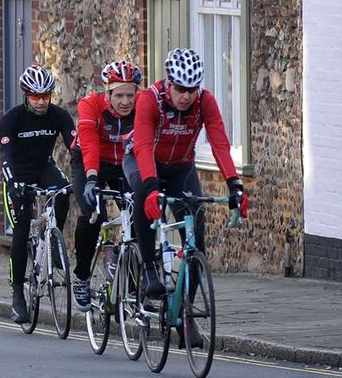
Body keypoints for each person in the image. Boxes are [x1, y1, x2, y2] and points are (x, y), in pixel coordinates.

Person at [126, 48, 248, 302]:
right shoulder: (151, 100)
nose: (185, 96)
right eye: (180, 89)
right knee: (142, 194)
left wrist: (234, 185)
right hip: (143, 161)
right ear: (169, 82)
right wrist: (150, 188)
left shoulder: (205, 101)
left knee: (196, 242)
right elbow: (143, 146)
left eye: (191, 90)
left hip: (181, 168)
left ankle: (185, 313)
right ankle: (149, 269)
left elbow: (220, 144)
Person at [0, 64, 76, 324]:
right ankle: (18, 294)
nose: (42, 102)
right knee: (21, 231)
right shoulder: (11, 119)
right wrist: (12, 184)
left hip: (44, 168)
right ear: (26, 95)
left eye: (46, 96)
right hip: (17, 175)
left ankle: (54, 239)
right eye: (36, 96)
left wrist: (85, 172)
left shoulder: (59, 116)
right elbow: (6, 157)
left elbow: (75, 147)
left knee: (65, 190)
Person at [69, 59, 142, 311]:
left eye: (130, 95)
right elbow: (89, 143)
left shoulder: (143, 107)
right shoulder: (90, 105)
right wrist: (91, 179)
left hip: (124, 162)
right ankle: (81, 276)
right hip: (91, 161)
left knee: (138, 213)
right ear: (107, 92)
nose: (125, 102)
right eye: (119, 95)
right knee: (92, 214)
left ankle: (135, 283)